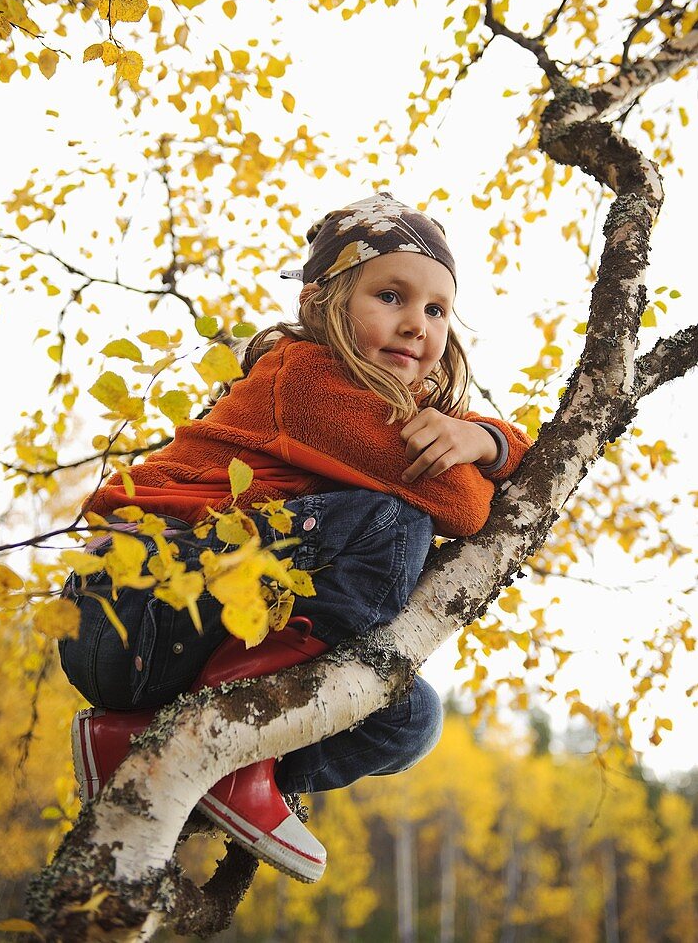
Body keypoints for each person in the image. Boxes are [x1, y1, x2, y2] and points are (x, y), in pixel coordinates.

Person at [60, 191, 532, 883]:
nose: (416, 325)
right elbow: (461, 506)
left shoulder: (379, 409)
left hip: (189, 631)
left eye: (435, 310)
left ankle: (168, 752)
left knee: (404, 715)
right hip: (137, 596)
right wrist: (478, 454)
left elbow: (527, 452)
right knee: (396, 521)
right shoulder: (309, 379)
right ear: (323, 304)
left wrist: (483, 437)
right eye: (391, 297)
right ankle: (230, 749)